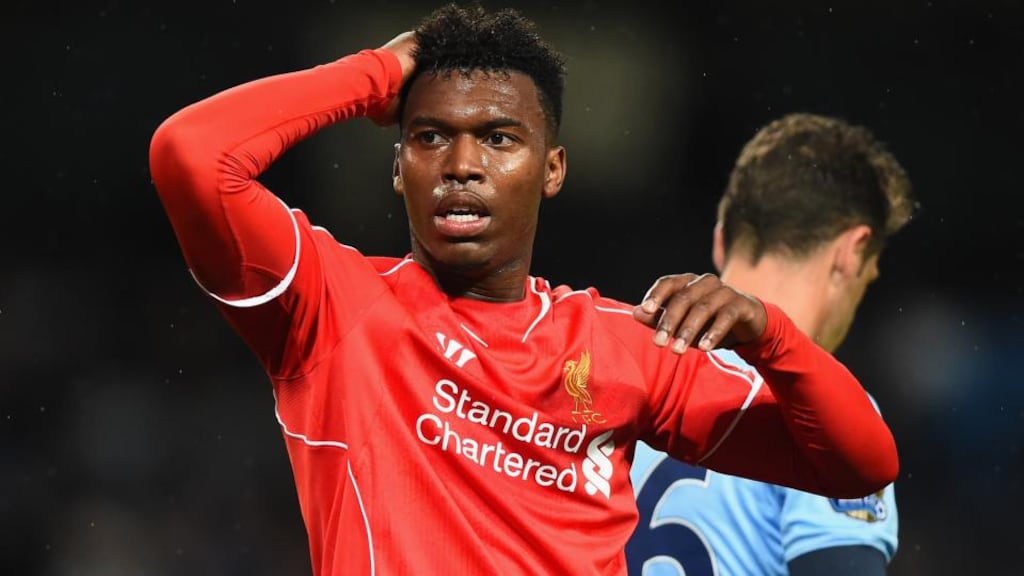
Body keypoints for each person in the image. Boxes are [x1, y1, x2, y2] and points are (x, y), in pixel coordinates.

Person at [149, 5, 898, 574]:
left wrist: (772, 336)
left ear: (553, 168)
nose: (461, 164)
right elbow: (192, 155)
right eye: (430, 136)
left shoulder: (626, 342)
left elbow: (859, 465)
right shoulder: (329, 304)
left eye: (499, 138)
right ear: (398, 166)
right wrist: (373, 74)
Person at [627, 113, 915, 576]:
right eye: (871, 267)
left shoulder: (627, 377)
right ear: (852, 252)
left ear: (720, 240)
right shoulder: (825, 421)